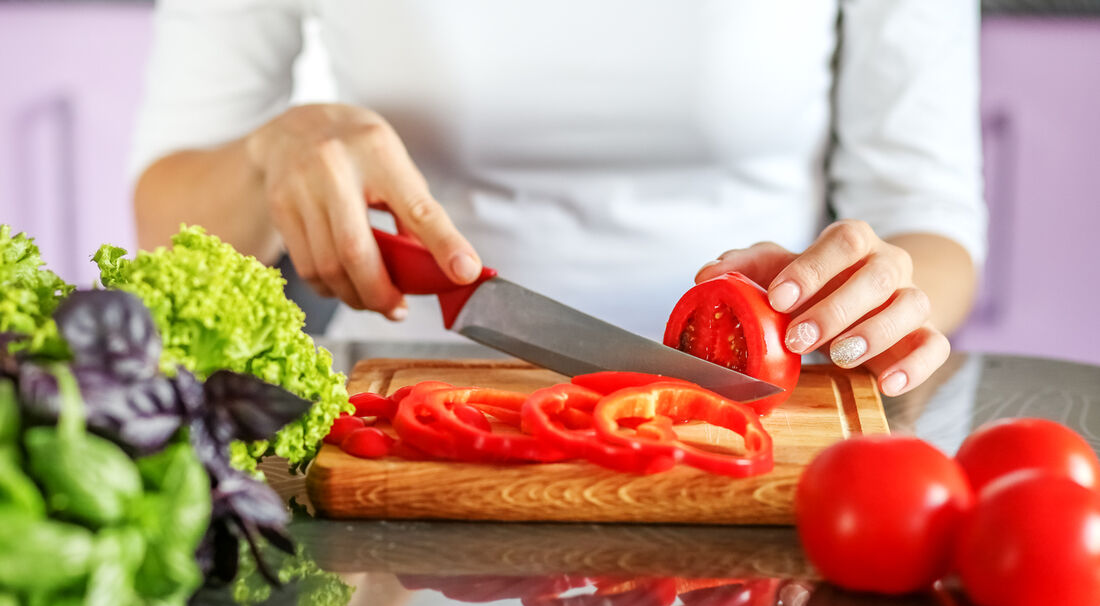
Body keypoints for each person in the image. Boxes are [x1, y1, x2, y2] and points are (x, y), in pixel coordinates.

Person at [131, 0, 984, 398]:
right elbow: (163, 216)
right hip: (411, 408)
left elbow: (929, 214)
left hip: (755, 406)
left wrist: (856, 305)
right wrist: (267, 153)